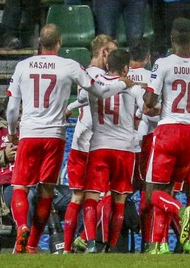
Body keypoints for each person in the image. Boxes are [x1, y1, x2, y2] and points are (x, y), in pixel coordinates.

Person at [4, 24, 91, 253]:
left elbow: (12, 108)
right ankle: (32, 244)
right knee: (46, 191)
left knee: (20, 187)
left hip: (30, 133)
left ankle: (22, 226)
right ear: (60, 43)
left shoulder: (23, 66)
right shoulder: (69, 65)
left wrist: (13, 132)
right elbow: (91, 89)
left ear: (39, 42)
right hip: (55, 135)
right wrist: (73, 104)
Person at [144, 19, 190, 254]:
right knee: (179, 188)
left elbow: (149, 101)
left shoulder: (163, 63)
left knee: (154, 191)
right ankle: (164, 243)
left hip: (169, 129)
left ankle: (179, 213)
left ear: (173, 39)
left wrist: (153, 99)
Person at [66, 41, 142, 254]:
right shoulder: (133, 87)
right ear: (126, 68)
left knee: (90, 196)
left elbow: (82, 97)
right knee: (119, 201)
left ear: (108, 64)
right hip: (125, 150)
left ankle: (90, 242)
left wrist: (70, 107)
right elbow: (148, 108)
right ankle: (110, 246)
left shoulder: (94, 81)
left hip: (99, 147)